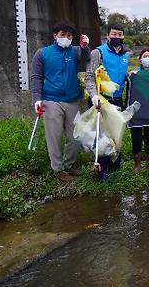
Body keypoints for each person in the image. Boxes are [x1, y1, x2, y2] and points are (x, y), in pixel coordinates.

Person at [30, 20, 90, 181]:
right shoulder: (42, 53)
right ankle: (58, 169)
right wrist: (37, 99)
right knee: (54, 136)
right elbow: (36, 77)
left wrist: (85, 46)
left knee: (74, 136)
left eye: (69, 35)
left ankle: (69, 165)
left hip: (73, 100)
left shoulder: (75, 51)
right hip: (51, 100)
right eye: (62, 35)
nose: (66, 38)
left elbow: (86, 57)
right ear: (55, 35)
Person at [85, 22, 130, 182]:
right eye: (114, 34)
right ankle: (102, 170)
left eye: (120, 34)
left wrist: (130, 76)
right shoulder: (98, 52)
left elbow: (122, 75)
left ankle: (115, 163)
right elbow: (89, 76)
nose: (117, 37)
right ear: (107, 36)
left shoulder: (126, 54)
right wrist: (93, 95)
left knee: (116, 134)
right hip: (101, 100)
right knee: (102, 136)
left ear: (123, 36)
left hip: (118, 99)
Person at [128, 48, 149, 172]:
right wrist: (130, 77)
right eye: (144, 56)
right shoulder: (134, 74)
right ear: (140, 59)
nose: (147, 59)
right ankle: (137, 164)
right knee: (136, 137)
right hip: (137, 111)